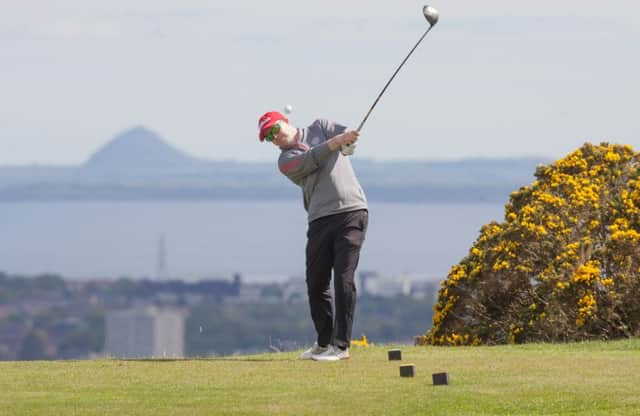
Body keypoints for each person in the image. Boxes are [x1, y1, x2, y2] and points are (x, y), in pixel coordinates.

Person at [258, 111, 368, 361]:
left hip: (351, 211)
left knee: (343, 278)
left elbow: (346, 142)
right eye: (268, 137)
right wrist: (337, 142)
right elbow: (313, 159)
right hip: (319, 218)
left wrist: (349, 142)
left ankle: (340, 347)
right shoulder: (286, 160)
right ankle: (323, 341)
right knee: (316, 283)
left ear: (285, 121)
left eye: (274, 130)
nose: (274, 138)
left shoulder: (321, 126)